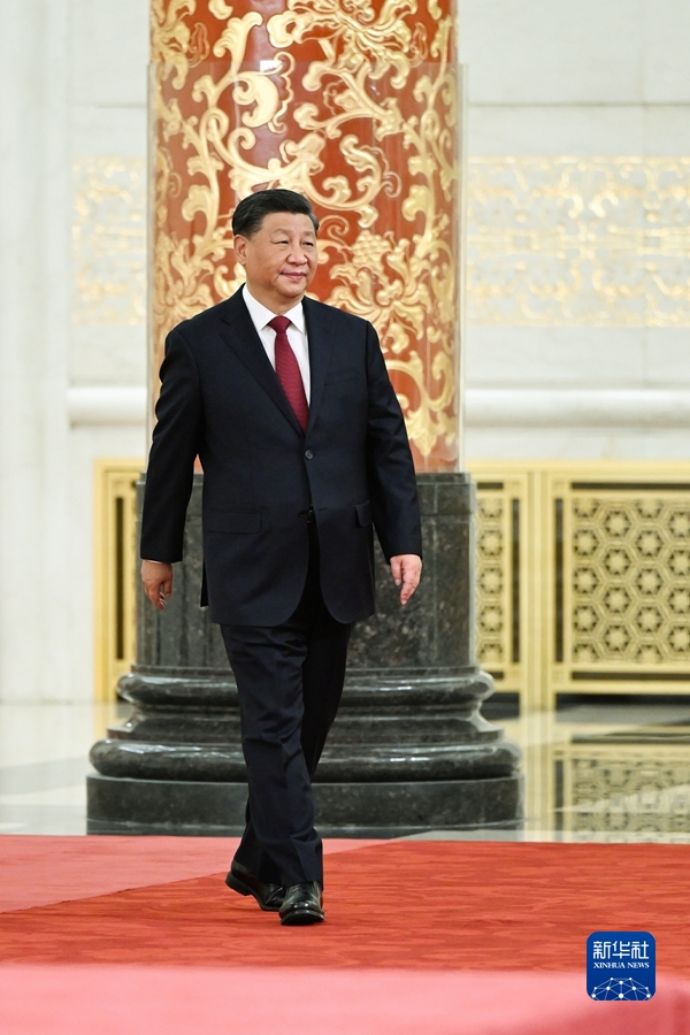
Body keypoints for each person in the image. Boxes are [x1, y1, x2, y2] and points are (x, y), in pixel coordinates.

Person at [140, 189, 422, 925]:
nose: (300, 256)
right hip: (250, 565)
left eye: (309, 242)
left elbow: (386, 445)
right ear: (242, 249)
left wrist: (403, 539)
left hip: (336, 561)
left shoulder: (350, 336)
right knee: (270, 723)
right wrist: (157, 551)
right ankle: (300, 876)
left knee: (306, 726)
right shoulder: (200, 342)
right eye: (283, 241)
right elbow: (170, 455)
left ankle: (254, 857)